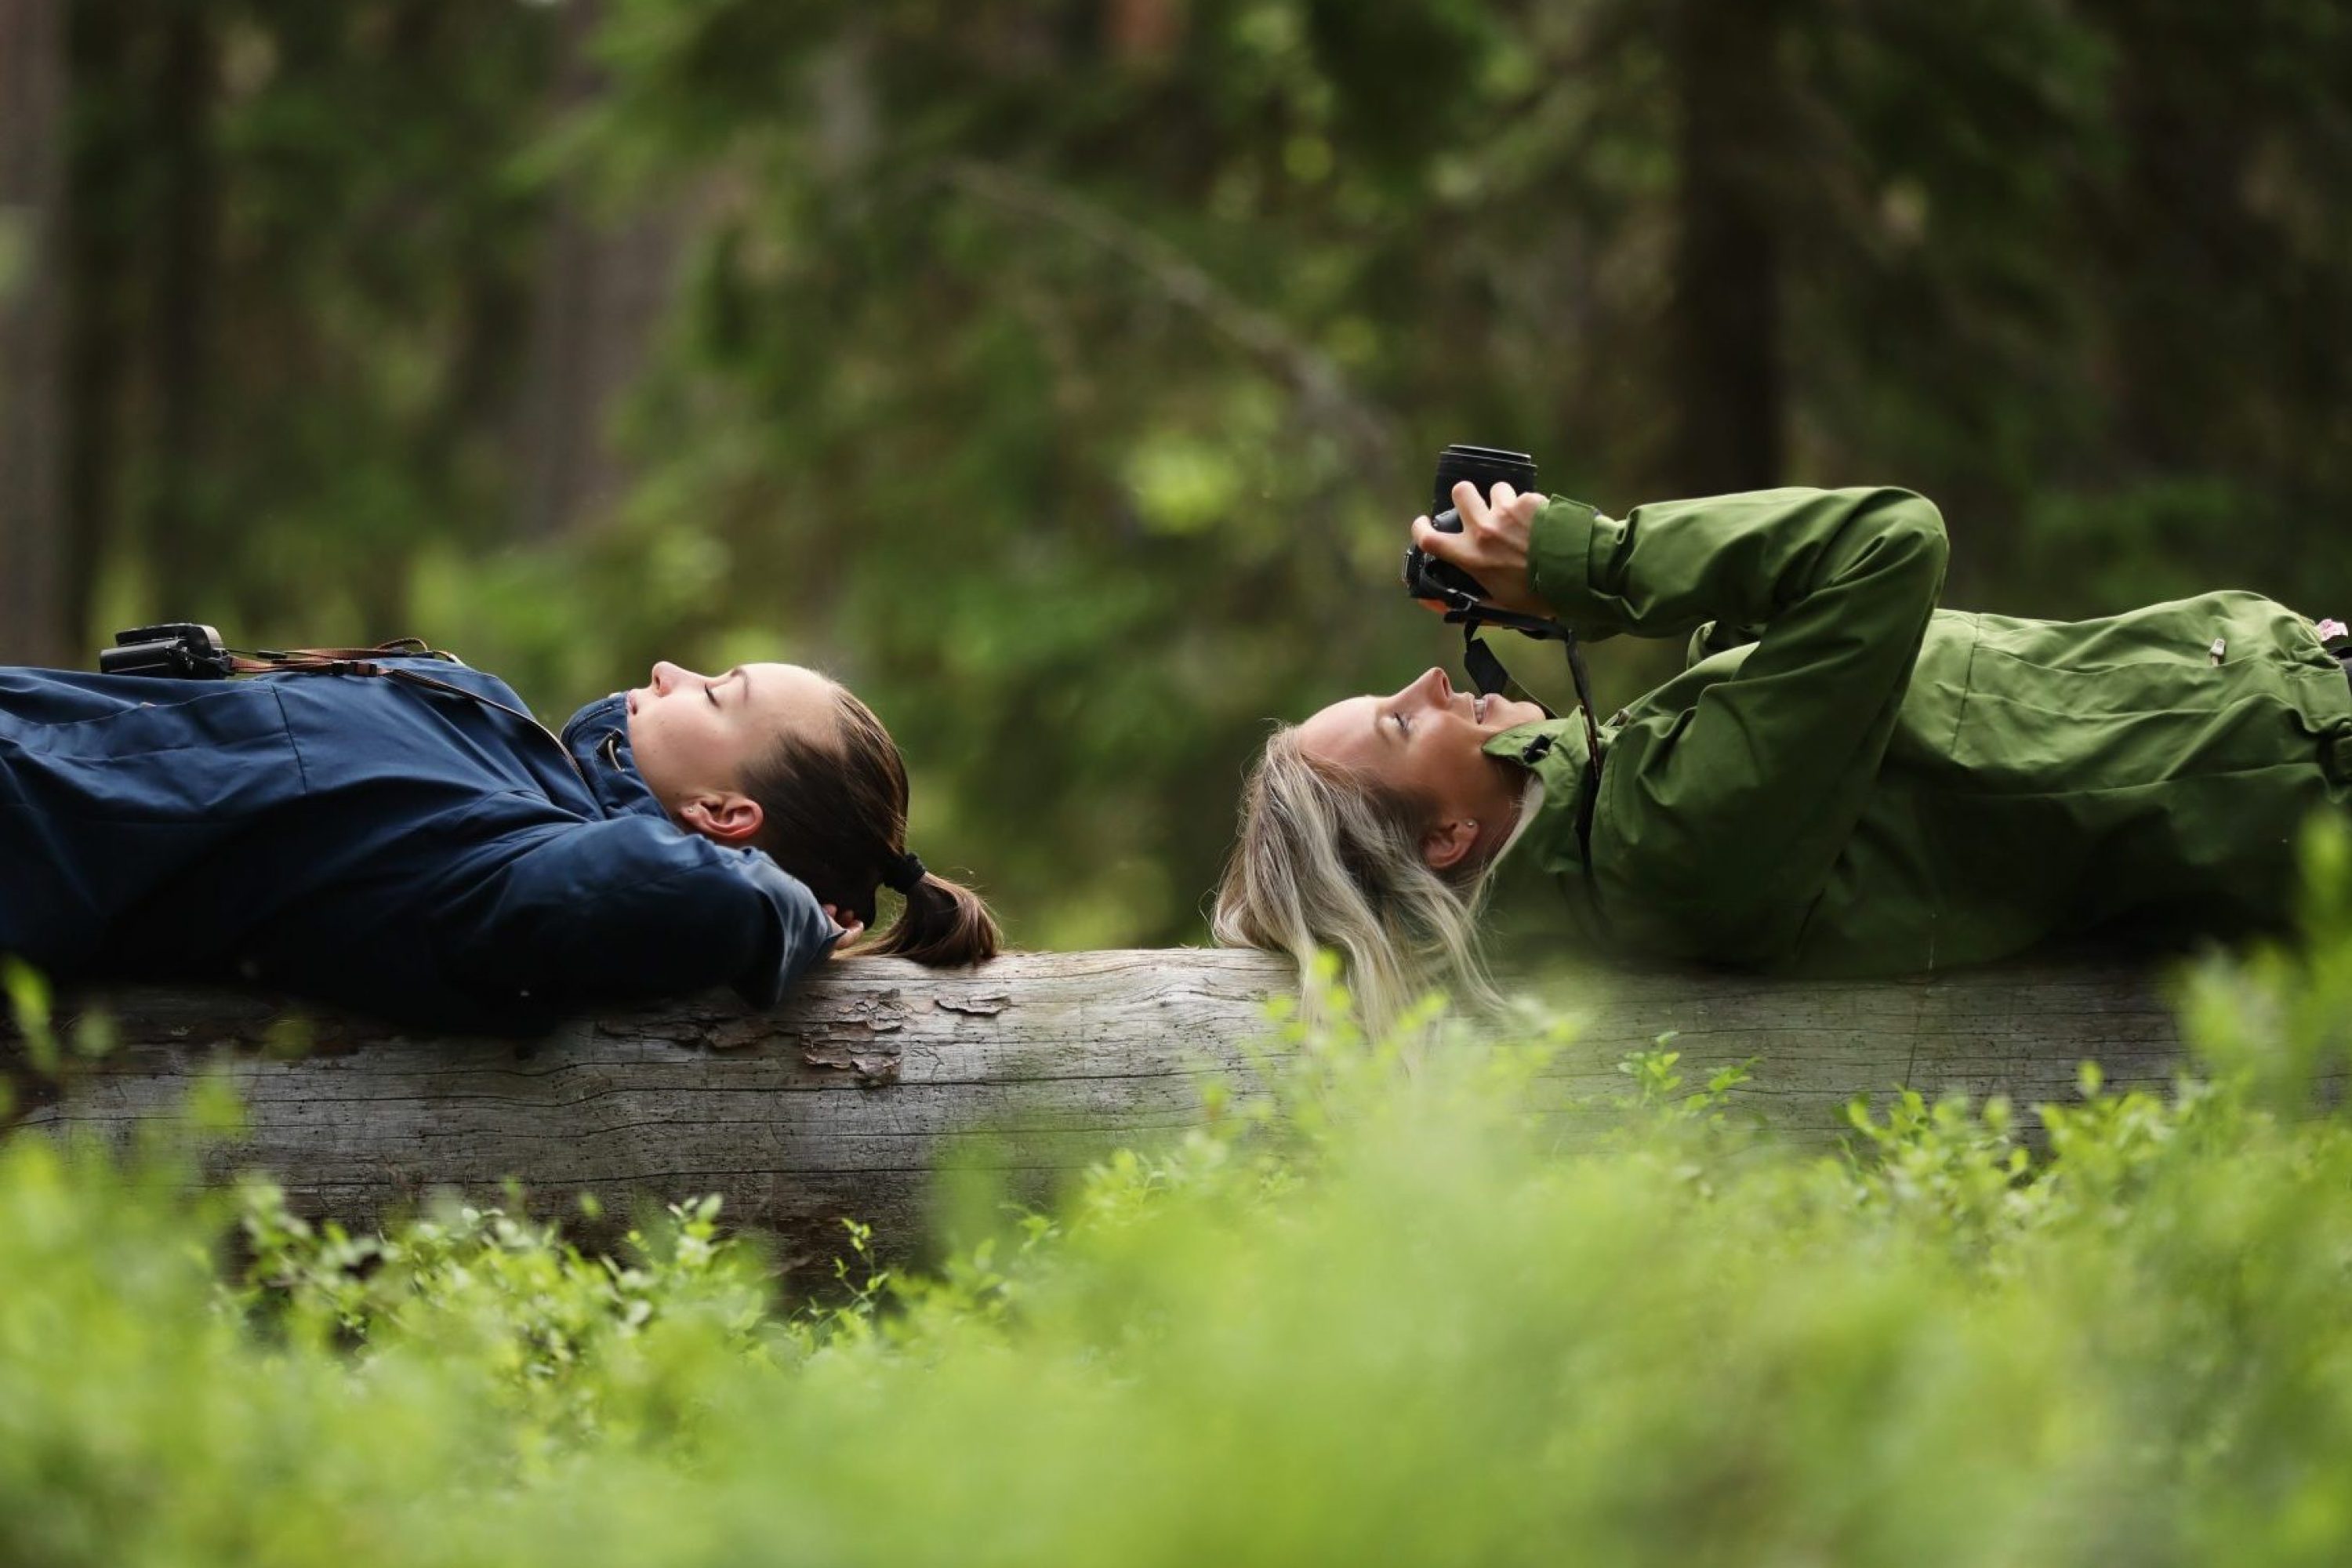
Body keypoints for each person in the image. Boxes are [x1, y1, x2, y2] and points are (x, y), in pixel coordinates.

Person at [1214, 479, 2352, 1030]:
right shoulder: (1661, 841)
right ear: (1451, 837)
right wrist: (1589, 560)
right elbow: (1890, 544)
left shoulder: (1622, 817)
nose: (1429, 684)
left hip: (2286, 727)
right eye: (1405, 724)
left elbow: (1841, 738)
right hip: (2299, 771)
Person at [0, 647, 999, 1033]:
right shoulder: (515, 762)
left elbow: (677, 890)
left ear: (727, 819)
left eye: (717, 692)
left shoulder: (514, 861)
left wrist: (791, 909)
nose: (669, 668)